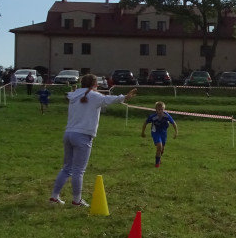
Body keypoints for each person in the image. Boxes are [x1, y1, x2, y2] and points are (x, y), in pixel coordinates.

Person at [49, 74, 137, 207]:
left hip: (68, 133)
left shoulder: (74, 95)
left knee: (67, 168)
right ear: (94, 84)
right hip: (83, 135)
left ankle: (54, 197)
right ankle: (76, 200)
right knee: (78, 170)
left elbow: (100, 98)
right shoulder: (94, 96)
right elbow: (109, 99)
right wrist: (125, 97)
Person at [141, 101, 178, 167]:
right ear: (156, 110)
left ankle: (159, 157)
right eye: (159, 109)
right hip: (155, 132)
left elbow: (173, 123)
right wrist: (143, 132)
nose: (160, 111)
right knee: (159, 146)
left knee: (162, 148)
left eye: (162, 109)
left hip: (163, 132)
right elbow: (145, 123)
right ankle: (157, 164)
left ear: (164, 109)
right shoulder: (153, 117)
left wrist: (176, 133)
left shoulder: (166, 115)